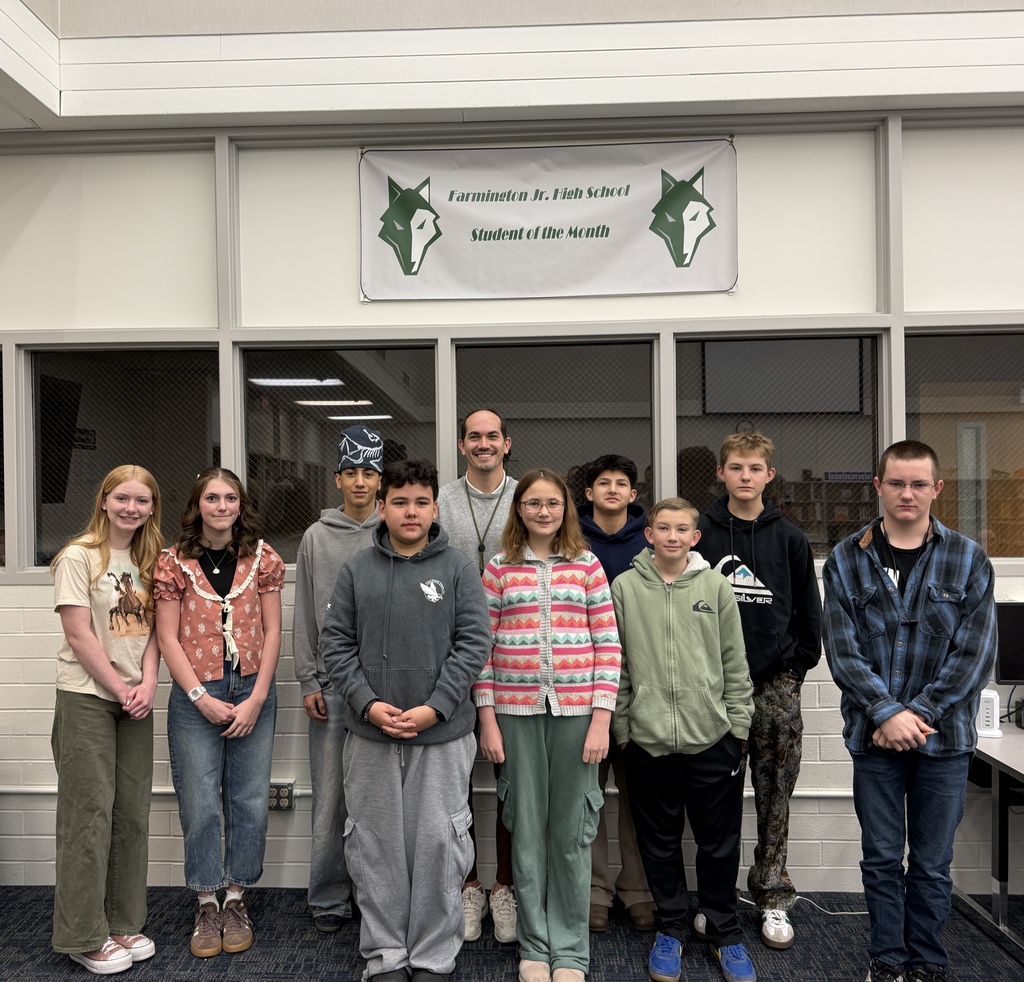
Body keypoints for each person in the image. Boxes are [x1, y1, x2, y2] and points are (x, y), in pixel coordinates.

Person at [822, 441, 996, 982]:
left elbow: (976, 653)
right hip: (873, 739)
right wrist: (883, 713)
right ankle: (888, 961)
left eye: (919, 484)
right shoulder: (847, 558)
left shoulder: (968, 558)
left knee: (930, 864)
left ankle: (926, 962)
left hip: (944, 741)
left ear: (937, 489)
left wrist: (913, 714)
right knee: (879, 860)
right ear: (878, 486)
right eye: (896, 482)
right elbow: (842, 650)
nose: (907, 493)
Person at [319, 458, 491, 982]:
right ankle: (387, 954)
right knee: (375, 845)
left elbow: (474, 643)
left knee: (439, 845)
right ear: (382, 507)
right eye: (399, 501)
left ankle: (434, 955)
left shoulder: (458, 567)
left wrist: (434, 706)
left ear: (435, 508)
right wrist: (368, 704)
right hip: (370, 733)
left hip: (441, 733)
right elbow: (336, 644)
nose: (410, 512)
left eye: (420, 502)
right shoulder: (357, 570)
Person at [475, 468, 621, 982]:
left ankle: (571, 951)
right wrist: (487, 719)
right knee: (528, 833)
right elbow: (482, 653)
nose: (543, 511)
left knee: (572, 833)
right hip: (514, 718)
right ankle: (535, 948)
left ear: (565, 509)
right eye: (533, 503)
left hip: (578, 716)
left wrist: (601, 719)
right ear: (519, 509)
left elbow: (608, 645)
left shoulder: (587, 565)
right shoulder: (497, 568)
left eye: (552, 503)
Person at [612, 498, 755, 982]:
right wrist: (626, 730)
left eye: (683, 529)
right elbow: (620, 668)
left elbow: (735, 664)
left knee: (718, 845)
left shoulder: (715, 586)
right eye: (663, 528)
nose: (672, 536)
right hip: (649, 744)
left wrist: (737, 728)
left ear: (696, 537)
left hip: (713, 740)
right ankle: (671, 928)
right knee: (659, 843)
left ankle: (725, 932)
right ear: (648, 534)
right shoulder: (626, 588)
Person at [696, 433, 822, 949]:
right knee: (717, 799)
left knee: (774, 795)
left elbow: (808, 617)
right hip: (713, 688)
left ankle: (772, 896)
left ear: (769, 475)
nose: (745, 476)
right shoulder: (699, 532)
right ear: (721, 474)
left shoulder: (789, 538)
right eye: (735, 467)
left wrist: (792, 669)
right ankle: (716, 900)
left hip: (774, 687)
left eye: (754, 468)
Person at [155, 467, 285, 959]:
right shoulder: (173, 562)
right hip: (196, 693)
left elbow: (273, 632)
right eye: (212, 498)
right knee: (202, 801)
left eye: (231, 498)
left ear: (241, 505)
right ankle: (206, 900)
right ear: (198, 505)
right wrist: (198, 697)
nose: (222, 506)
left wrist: (255, 699)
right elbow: (167, 636)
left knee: (249, 799)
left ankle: (236, 896)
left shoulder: (262, 558)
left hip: (253, 688)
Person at [50, 465, 164, 976]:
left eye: (142, 501)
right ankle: (83, 933)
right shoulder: (79, 556)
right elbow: (79, 634)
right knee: (88, 816)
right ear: (103, 500)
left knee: (132, 815)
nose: (131, 508)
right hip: (89, 697)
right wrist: (119, 688)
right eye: (122, 498)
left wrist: (147, 684)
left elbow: (161, 631)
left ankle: (122, 922)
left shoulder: (152, 558)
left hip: (135, 700)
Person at [293, 425, 383, 932]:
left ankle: (375, 895)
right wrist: (308, 679)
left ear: (379, 480)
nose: (359, 481)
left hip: (383, 688)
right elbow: (305, 611)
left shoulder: (392, 532)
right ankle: (328, 897)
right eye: (350, 472)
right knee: (330, 797)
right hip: (329, 685)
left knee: (376, 798)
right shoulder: (315, 537)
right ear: (337, 480)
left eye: (368, 472)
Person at [437, 408, 519, 943]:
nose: (484, 444)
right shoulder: (442, 500)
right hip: (448, 658)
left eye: (493, 436)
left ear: (506, 444)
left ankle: (505, 886)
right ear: (463, 445)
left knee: (511, 778)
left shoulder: (525, 495)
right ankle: (467, 884)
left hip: (512, 659)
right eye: (475, 437)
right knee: (456, 781)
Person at [577, 454, 655, 933]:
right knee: (589, 797)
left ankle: (638, 890)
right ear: (588, 493)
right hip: (585, 687)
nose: (611, 490)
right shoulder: (572, 540)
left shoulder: (649, 544)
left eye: (620, 483)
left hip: (642, 686)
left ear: (633, 492)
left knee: (639, 797)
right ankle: (594, 890)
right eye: (602, 483)